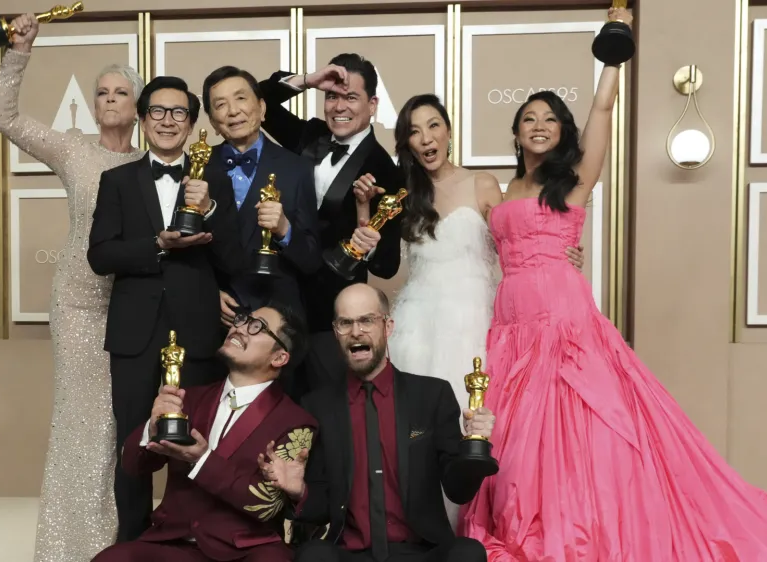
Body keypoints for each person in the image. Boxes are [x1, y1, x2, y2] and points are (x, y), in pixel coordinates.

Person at [459, 9, 767, 561]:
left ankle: (571, 527)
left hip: (561, 320)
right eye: (528, 118)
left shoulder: (572, 183)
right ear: (515, 130)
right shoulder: (501, 188)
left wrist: (616, 49)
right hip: (509, 328)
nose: (539, 124)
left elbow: (601, 108)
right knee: (516, 442)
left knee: (573, 432)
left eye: (550, 118)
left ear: (562, 131)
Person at [376, 93, 583, 528]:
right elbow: (384, 262)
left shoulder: (483, 184)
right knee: (412, 431)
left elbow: (519, 239)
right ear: (406, 143)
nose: (426, 138)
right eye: (414, 131)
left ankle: (465, 529)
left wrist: (561, 255)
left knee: (470, 426)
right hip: (416, 326)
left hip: (472, 321)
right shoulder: (403, 197)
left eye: (434, 126)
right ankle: (413, 532)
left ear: (449, 131)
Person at [0, 13, 146, 561]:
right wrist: (21, 50)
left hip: (132, 303)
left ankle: (117, 539)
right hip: (78, 302)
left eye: (120, 92)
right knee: (80, 420)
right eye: (101, 92)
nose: (107, 99)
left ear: (139, 104)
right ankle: (68, 545)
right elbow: (2, 115)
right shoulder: (72, 149)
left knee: (121, 423)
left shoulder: (153, 163)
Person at [87, 75, 245, 543]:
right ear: (141, 119)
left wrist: (212, 208)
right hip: (135, 332)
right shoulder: (116, 180)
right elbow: (100, 256)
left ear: (193, 123)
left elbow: (235, 259)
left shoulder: (211, 177)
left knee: (194, 443)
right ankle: (132, 543)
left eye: (179, 112)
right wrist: (157, 244)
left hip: (197, 331)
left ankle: (189, 540)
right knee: (133, 443)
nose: (168, 121)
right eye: (158, 111)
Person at [260, 283, 494, 562]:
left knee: (468, 553)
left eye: (367, 320)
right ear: (336, 332)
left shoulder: (432, 395)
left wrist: (473, 447)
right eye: (345, 323)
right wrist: (300, 490)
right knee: (313, 555)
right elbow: (323, 506)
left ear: (388, 326)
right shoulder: (317, 406)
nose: (356, 331)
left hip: (421, 552)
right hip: (352, 554)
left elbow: (458, 490)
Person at [91, 304, 318, 562]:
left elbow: (266, 505)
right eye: (242, 319)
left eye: (257, 327)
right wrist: (151, 427)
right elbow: (132, 465)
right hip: (175, 545)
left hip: (247, 551)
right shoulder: (190, 398)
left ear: (279, 357)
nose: (239, 327)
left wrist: (201, 459)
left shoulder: (296, 422)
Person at [257, 54, 403, 398]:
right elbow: (261, 101)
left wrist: (367, 232)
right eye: (333, 96)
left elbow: (388, 265)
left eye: (351, 97)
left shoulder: (387, 172)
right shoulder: (310, 135)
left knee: (327, 416)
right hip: (280, 300)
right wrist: (308, 79)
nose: (340, 106)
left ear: (372, 105)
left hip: (332, 317)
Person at [201, 66, 322, 389]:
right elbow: (183, 252)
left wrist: (285, 229)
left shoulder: (297, 168)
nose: (233, 110)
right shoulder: (197, 166)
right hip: (215, 327)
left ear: (262, 107)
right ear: (212, 121)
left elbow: (312, 259)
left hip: (278, 330)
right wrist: (207, 293)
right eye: (220, 104)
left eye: (241, 98)